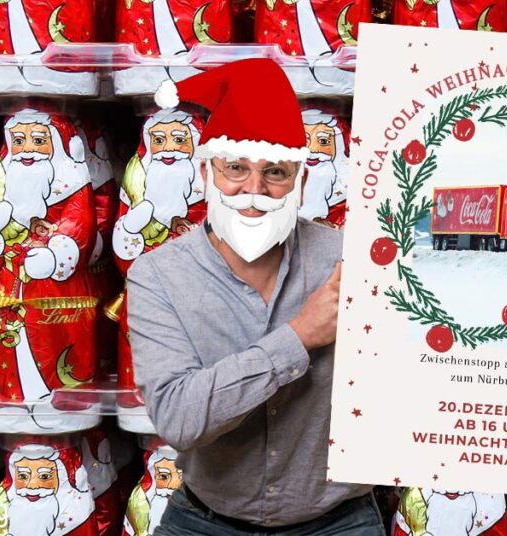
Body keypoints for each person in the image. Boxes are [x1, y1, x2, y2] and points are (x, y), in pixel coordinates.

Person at [127, 58, 382, 535]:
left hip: (339, 522)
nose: (253, 190)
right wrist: (300, 336)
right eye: (236, 168)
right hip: (205, 521)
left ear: (301, 183)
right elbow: (179, 419)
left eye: (276, 173)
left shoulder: (354, 261)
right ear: (207, 174)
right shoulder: (158, 276)